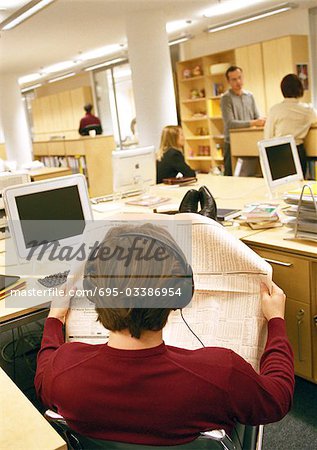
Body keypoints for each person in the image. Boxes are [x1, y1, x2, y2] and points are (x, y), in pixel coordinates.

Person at [35, 223, 294, 447]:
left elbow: (46, 362)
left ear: (93, 292)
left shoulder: (62, 369)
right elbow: (278, 398)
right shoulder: (222, 374)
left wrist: (55, 318)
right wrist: (276, 321)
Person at [264, 73, 317, 177]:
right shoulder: (307, 110)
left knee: (281, 185)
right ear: (300, 89)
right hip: (298, 150)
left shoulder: (275, 110)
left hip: (278, 151)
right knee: (298, 185)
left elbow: (268, 136)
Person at [221, 66, 266, 176]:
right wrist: (254, 123)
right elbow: (230, 123)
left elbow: (257, 116)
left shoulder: (249, 96)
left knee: (252, 174)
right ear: (228, 81)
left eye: (240, 78)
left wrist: (260, 121)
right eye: (234, 79)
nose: (238, 82)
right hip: (232, 143)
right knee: (231, 175)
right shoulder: (226, 98)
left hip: (249, 141)